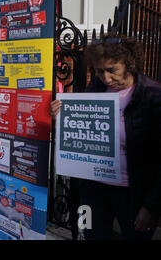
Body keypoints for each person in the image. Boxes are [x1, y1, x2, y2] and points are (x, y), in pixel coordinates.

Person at [50, 34, 161, 240]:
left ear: (131, 64)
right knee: (91, 236)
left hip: (133, 195)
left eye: (112, 70)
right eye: (100, 71)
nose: (106, 78)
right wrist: (62, 117)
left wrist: (151, 207)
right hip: (93, 192)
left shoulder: (153, 96)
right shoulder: (96, 88)